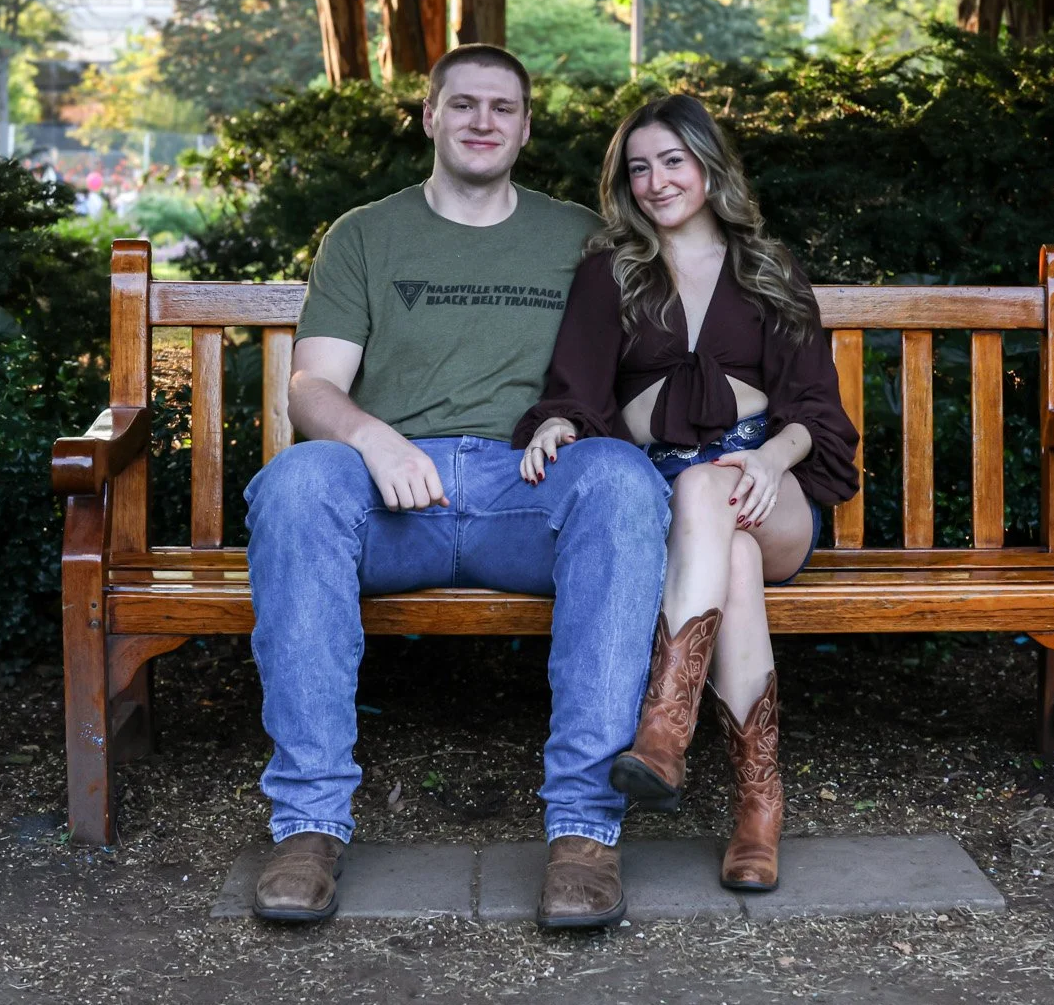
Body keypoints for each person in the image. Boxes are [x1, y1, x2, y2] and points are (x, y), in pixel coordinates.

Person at [243, 45, 670, 928]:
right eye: (464, 104)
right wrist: (375, 439)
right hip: (400, 494)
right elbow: (312, 385)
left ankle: (585, 830)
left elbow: (652, 350)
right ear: (429, 115)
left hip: (530, 486)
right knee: (295, 484)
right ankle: (309, 824)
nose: (483, 121)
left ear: (523, 127)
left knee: (624, 483)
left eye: (503, 108)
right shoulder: (364, 233)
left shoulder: (576, 237)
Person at [514, 94, 859, 892]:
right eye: (639, 167)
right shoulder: (613, 271)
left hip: (769, 488)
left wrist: (772, 460)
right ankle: (757, 808)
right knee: (722, 545)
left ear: (709, 164)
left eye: (672, 160)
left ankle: (666, 728)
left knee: (724, 500)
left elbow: (815, 408)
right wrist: (556, 426)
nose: (655, 180)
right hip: (666, 497)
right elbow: (578, 387)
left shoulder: (770, 267)